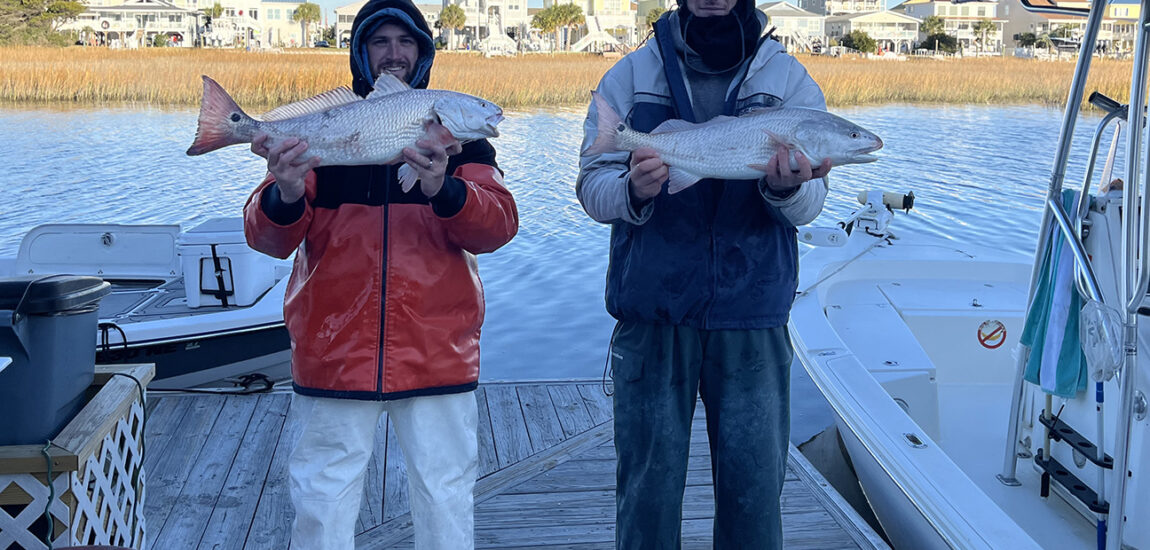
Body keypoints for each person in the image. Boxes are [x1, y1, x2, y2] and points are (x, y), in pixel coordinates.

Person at [242, 0, 518, 547]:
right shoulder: (326, 130)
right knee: (322, 498)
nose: (394, 53)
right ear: (361, 53)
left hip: (437, 345)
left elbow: (497, 227)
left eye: (406, 41)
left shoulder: (467, 145)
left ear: (424, 53)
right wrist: (287, 190)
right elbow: (267, 239)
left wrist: (445, 188)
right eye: (380, 41)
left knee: (445, 494)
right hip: (333, 344)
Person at [575, 0, 831, 547]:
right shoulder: (631, 75)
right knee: (646, 493)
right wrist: (630, 191)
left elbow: (812, 205)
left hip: (753, 313)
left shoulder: (788, 79)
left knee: (754, 496)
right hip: (652, 311)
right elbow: (592, 186)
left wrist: (786, 189)